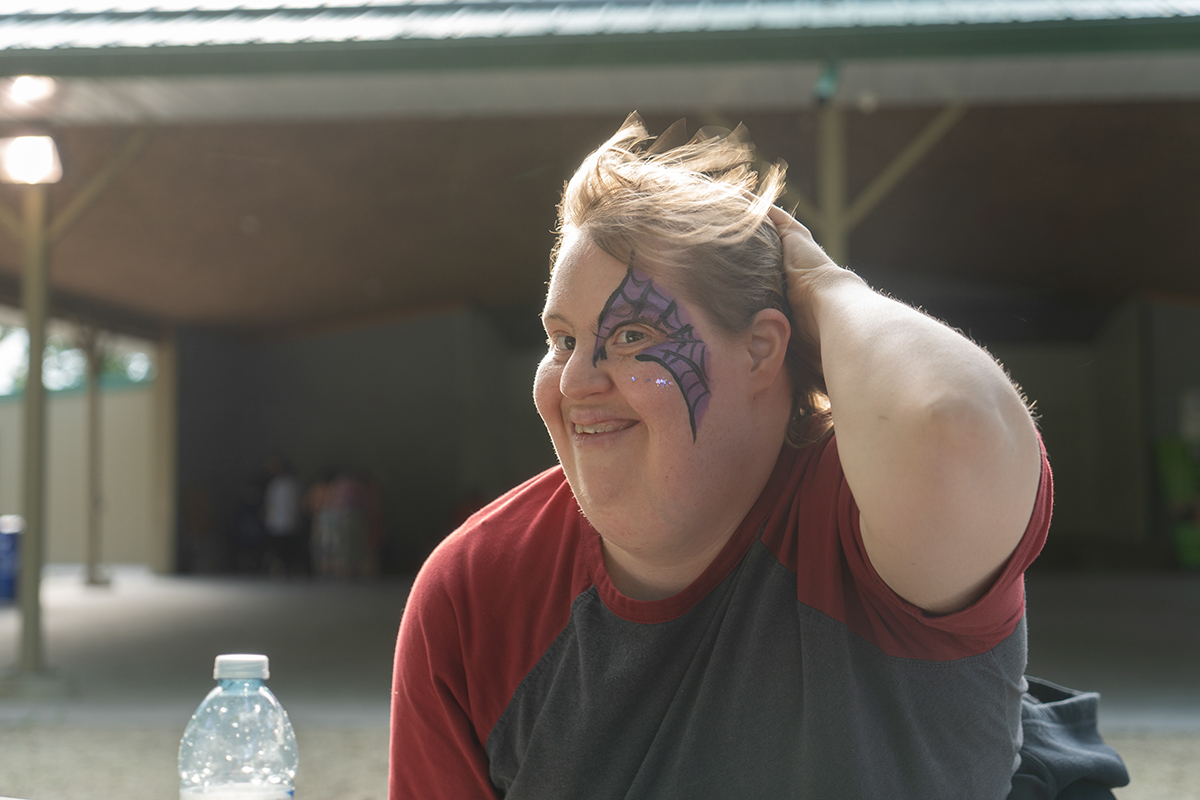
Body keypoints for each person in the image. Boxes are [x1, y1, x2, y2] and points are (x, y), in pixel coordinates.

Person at [389, 115, 1124, 798]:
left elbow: (951, 426)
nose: (577, 381)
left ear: (763, 349)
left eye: (635, 336)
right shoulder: (473, 594)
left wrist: (827, 286)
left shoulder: (860, 514)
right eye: (563, 341)